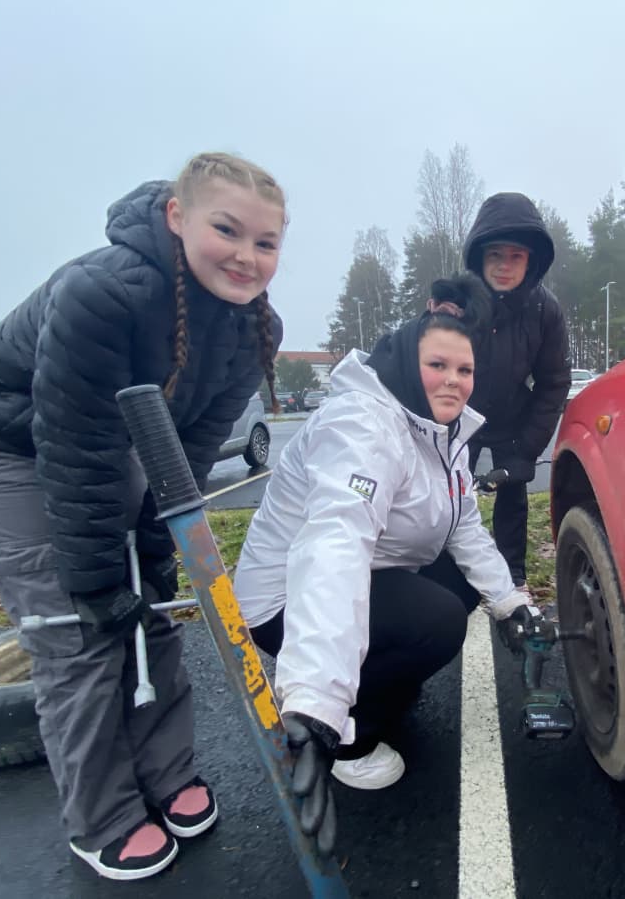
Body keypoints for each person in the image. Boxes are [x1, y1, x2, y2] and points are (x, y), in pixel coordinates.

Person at [0, 152, 286, 881]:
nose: (246, 257)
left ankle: (165, 774)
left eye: (266, 243)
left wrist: (155, 548)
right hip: (4, 441)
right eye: (227, 229)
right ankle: (104, 815)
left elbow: (184, 448)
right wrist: (96, 577)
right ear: (177, 217)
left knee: (151, 607)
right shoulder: (105, 291)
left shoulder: (255, 331)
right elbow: (75, 443)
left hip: (107, 442)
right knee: (77, 624)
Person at [232, 274, 539, 841]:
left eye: (465, 370)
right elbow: (334, 546)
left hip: (373, 571)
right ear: (405, 363)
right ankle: (351, 735)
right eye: (438, 365)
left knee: (463, 589)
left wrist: (509, 601)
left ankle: (373, 676)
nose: (453, 381)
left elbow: (463, 524)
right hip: (286, 600)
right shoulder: (363, 426)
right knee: (439, 619)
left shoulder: (441, 432)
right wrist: (317, 698)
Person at [438, 192, 571, 590]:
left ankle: (512, 573)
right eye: (496, 254)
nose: (504, 265)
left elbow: (554, 383)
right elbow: (426, 365)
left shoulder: (545, 310)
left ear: (532, 260)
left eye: (516, 256)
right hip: (459, 414)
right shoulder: (456, 304)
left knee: (512, 495)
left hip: (513, 413)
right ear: (479, 256)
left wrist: (528, 449)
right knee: (445, 493)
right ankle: (444, 569)